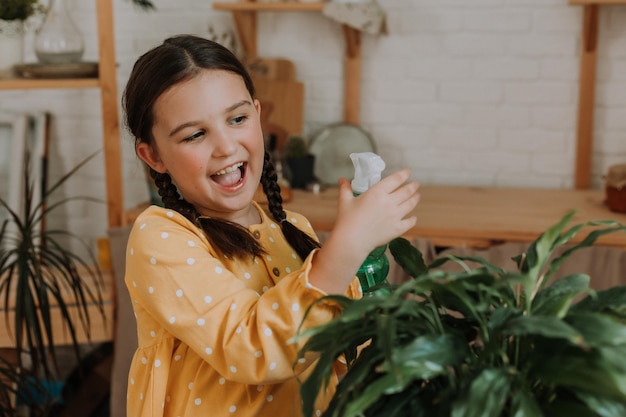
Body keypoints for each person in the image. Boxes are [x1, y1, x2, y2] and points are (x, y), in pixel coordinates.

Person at [121, 34, 420, 417]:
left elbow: (332, 348)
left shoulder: (293, 227)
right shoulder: (160, 238)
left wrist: (364, 271)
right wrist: (345, 248)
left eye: (238, 118)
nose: (227, 147)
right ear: (153, 156)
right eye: (196, 134)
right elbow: (251, 349)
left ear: (258, 116)